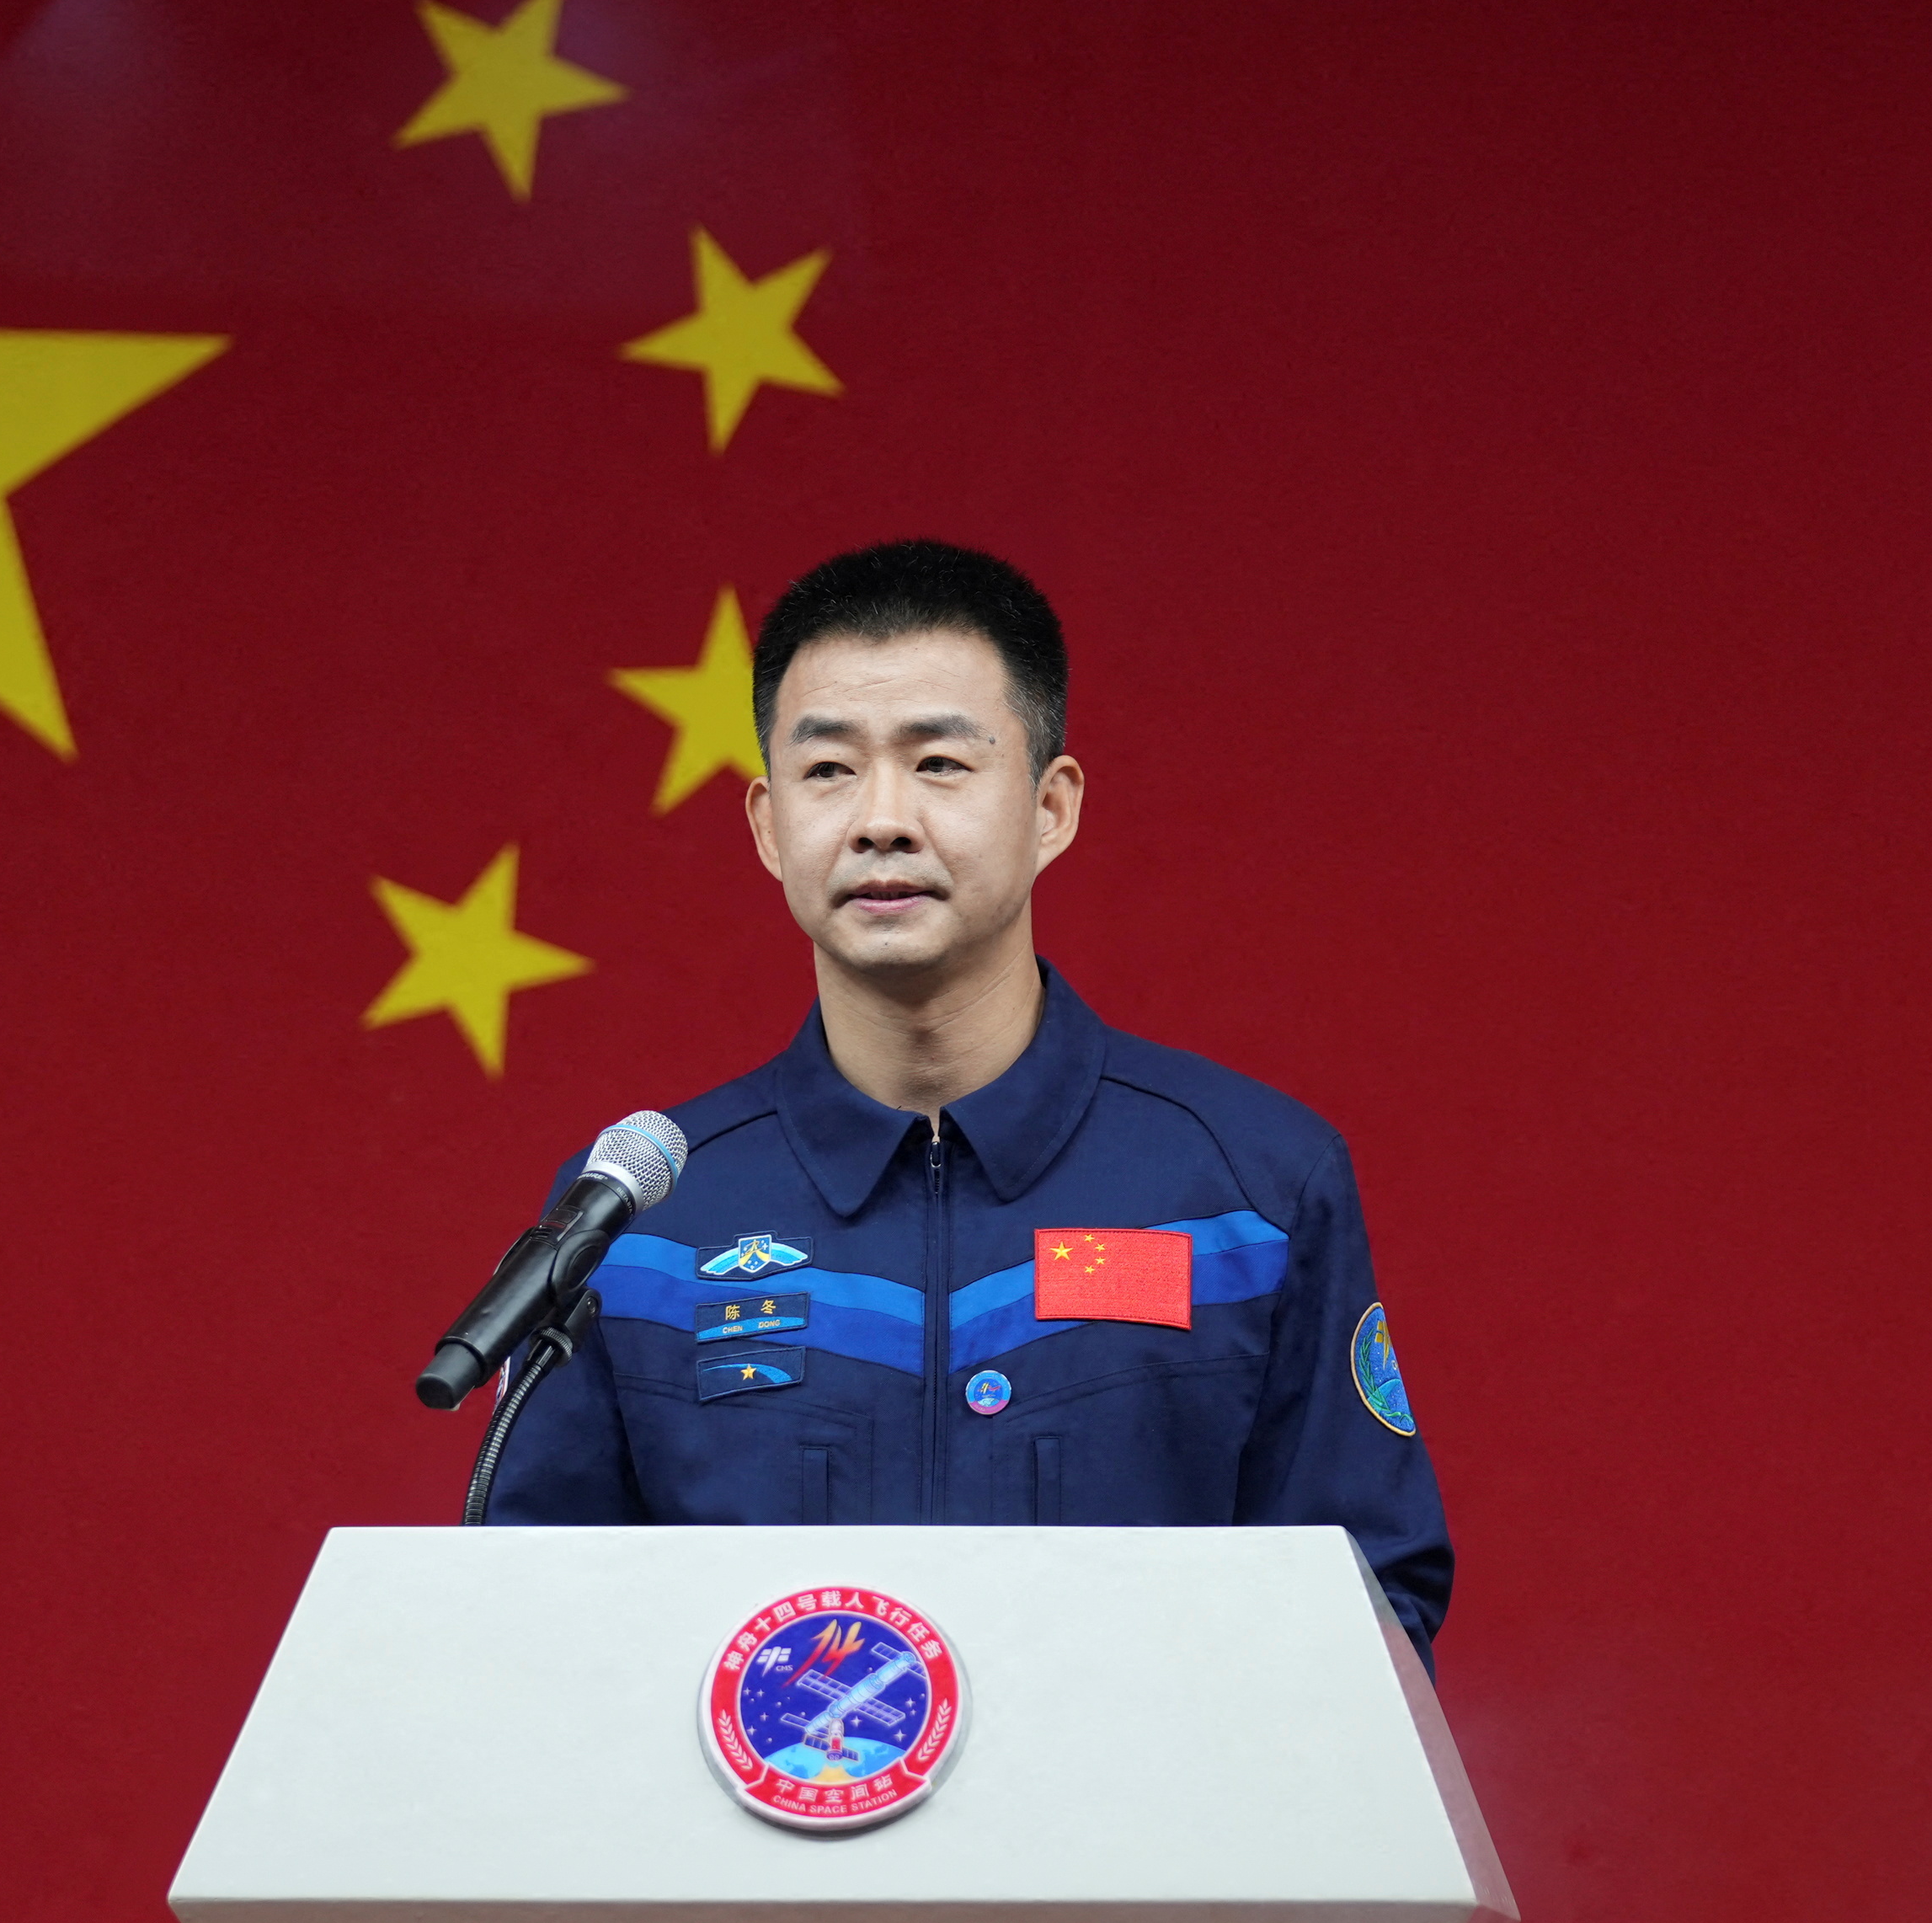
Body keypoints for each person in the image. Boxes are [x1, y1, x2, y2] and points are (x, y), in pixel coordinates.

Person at [485, 540, 1452, 1648]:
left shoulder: (1253, 1189)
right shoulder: (642, 1212)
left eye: (940, 763)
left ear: (1051, 806)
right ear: (766, 824)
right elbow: (534, 1638)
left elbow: (1370, 1612)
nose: (881, 818)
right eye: (828, 769)